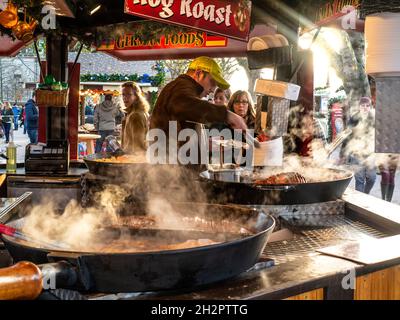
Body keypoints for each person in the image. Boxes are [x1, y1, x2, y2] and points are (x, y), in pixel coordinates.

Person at [149, 56, 247, 164]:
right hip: (170, 169)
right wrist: (227, 115)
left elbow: (182, 125)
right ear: (199, 74)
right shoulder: (181, 85)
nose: (213, 89)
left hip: (176, 166)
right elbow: (184, 105)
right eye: (212, 82)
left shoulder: (183, 89)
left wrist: (204, 143)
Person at [341, 97, 376, 194]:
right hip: (356, 153)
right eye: (363, 106)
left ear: (370, 107)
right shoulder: (353, 119)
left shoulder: (374, 119)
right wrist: (343, 154)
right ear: (359, 107)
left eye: (367, 106)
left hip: (370, 153)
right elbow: (347, 136)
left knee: (372, 178)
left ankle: (365, 193)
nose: (365, 108)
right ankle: (360, 199)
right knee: (359, 180)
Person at [121, 81, 150, 153]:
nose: (125, 98)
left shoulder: (135, 116)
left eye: (129, 94)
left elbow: (138, 146)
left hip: (133, 160)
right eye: (123, 94)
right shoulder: (141, 112)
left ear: (136, 96)